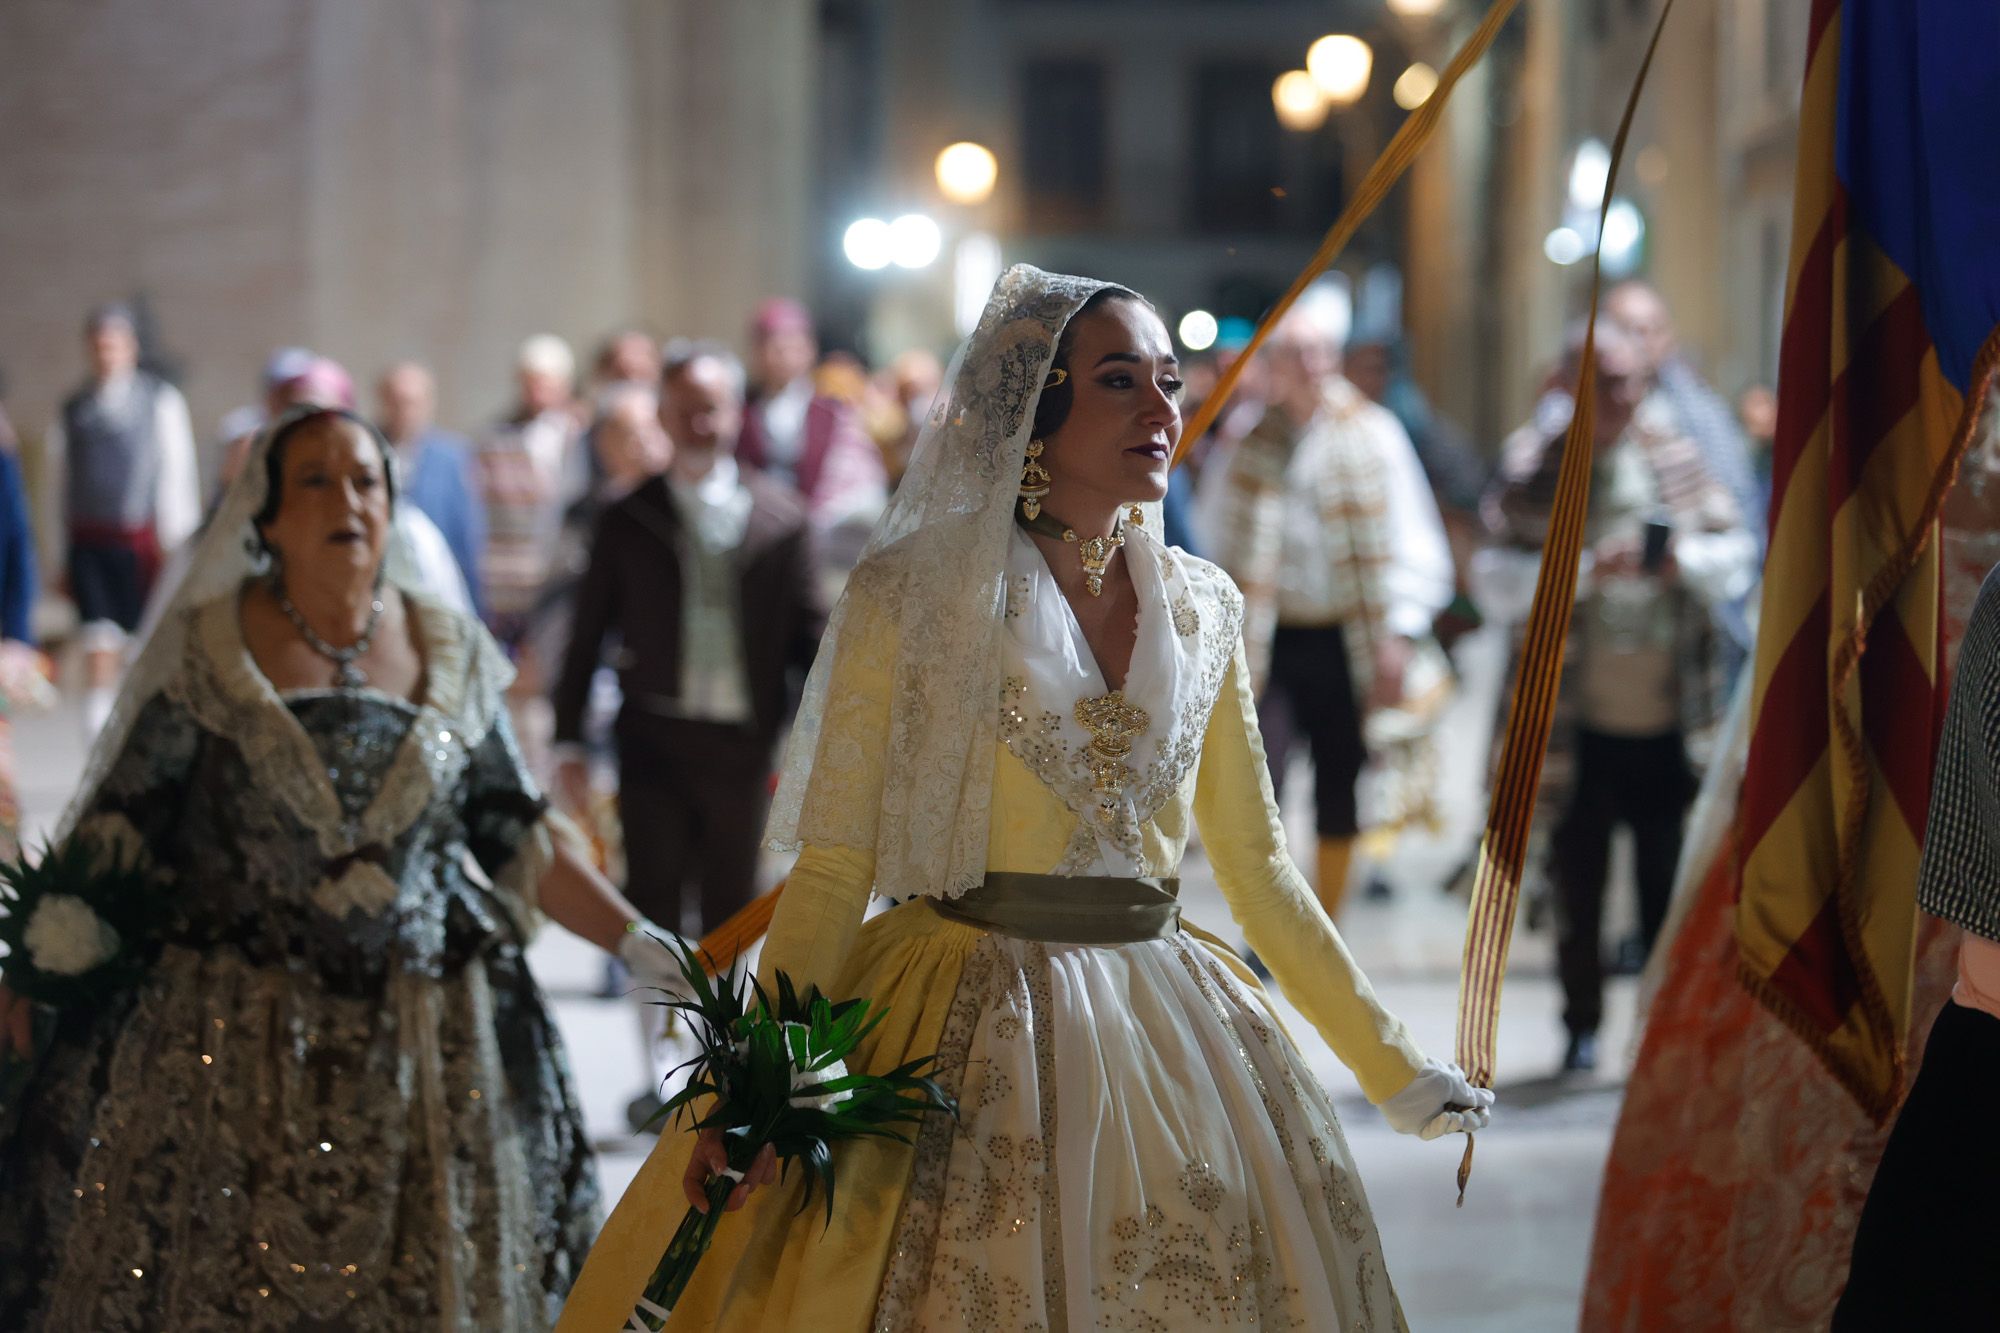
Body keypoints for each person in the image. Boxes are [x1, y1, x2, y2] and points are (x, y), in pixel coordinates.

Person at [555, 266, 1491, 1331]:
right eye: (1118, 380)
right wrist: (762, 1088)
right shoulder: (914, 595)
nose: (1161, 409)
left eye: (1169, 381)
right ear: (1034, 413)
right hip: (959, 1022)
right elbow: (836, 864)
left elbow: (1258, 868)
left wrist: (1395, 1068)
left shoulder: (1205, 607)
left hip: (1169, 1030)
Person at [0, 406, 689, 1330]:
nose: (347, 501)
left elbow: (515, 832)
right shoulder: (210, 649)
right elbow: (118, 829)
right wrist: (34, 968)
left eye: (366, 480)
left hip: (430, 1036)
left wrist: (636, 940)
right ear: (268, 518)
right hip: (232, 1039)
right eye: (316, 481)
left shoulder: (449, 648)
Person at [1487, 322, 1757, 1071]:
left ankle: (1658, 1030)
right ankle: (1581, 1024)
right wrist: (1582, 571)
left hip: (1668, 716)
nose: (1617, 398)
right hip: (1573, 721)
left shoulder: (1678, 457)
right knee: (1579, 885)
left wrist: (1681, 563)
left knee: (1665, 886)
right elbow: (1495, 582)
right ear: (1565, 385)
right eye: (1599, 383)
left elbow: (1736, 558)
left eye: (1627, 382)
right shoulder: (1535, 464)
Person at [552, 346, 820, 941]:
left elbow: (812, 639)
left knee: (733, 905)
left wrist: (818, 740)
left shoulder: (783, 517)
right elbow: (587, 631)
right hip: (652, 736)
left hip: (743, 741)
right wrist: (568, 737)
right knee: (652, 905)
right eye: (685, 409)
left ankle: (720, 1010)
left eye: (711, 407)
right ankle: (658, 1008)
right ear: (663, 416)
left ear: (736, 412)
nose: (700, 422)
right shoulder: (626, 515)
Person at [1202, 301, 1455, 921]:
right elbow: (1213, 532)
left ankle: (1327, 924)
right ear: (1275, 366)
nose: (1309, 365)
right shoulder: (1248, 439)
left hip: (1347, 640)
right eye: (1295, 354)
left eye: (1318, 352)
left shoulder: (1374, 433)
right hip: (1270, 642)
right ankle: (1271, 927)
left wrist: (1401, 631)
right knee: (1261, 783)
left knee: (1340, 784)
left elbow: (1416, 539)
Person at [43, 304, 201, 739]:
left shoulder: (159, 401)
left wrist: (177, 547)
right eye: (98, 346)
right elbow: (59, 486)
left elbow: (175, 473)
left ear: (130, 347)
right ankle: (97, 737)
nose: (106, 354)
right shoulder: (74, 410)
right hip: (90, 544)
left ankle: (138, 736)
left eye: (113, 345)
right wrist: (58, 556)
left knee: (139, 646)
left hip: (141, 544)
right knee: (98, 643)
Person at [477, 334, 589, 655]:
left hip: (566, 578)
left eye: (545, 382)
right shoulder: (496, 439)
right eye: (529, 381)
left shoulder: (583, 437)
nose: (536, 390)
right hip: (510, 585)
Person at [735, 298, 887, 533]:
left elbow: (858, 476)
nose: (784, 354)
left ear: (809, 348)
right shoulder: (740, 411)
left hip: (821, 525)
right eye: (774, 345)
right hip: (757, 525)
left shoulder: (833, 413)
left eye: (792, 344)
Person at [375, 360, 486, 610]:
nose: (404, 411)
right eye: (396, 401)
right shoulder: (367, 450)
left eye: (411, 402)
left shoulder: (452, 457)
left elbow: (466, 533)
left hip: (437, 586)